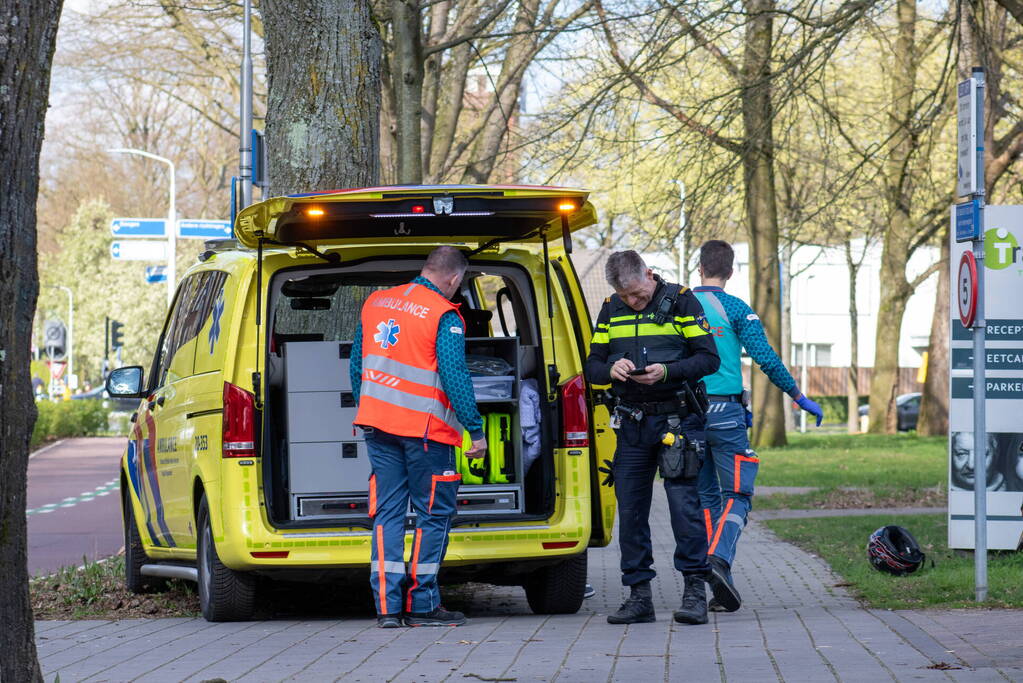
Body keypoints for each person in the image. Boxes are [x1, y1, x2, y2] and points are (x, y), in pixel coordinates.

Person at [350, 246, 487, 628]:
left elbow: (357, 365)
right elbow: (455, 374)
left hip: (377, 427)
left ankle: (386, 609)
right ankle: (423, 604)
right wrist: (474, 430)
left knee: (387, 514)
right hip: (427, 434)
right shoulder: (444, 314)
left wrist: (370, 410)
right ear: (455, 279)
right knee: (434, 515)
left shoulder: (377, 303)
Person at [585, 250, 723, 626]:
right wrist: (610, 368)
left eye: (638, 294)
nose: (634, 301)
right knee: (630, 512)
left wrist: (668, 371)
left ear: (649, 274)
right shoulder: (611, 309)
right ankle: (639, 596)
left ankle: (695, 590)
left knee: (684, 509)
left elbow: (709, 359)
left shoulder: (682, 302)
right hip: (631, 423)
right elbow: (591, 365)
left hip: (677, 420)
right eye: (626, 296)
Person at [692, 240, 824, 612]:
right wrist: (798, 397)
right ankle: (718, 558)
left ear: (699, 268)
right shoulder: (735, 308)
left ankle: (718, 580)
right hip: (726, 416)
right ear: (730, 273)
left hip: (689, 417)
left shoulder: (678, 305)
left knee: (705, 498)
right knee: (738, 494)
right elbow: (764, 358)